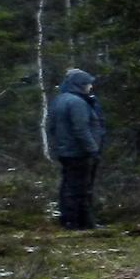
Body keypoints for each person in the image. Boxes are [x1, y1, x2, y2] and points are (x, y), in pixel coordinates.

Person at [47, 68, 106, 230]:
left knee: (70, 186)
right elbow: (81, 129)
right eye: (87, 84)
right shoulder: (77, 103)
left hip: (65, 151)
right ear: (80, 85)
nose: (90, 87)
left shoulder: (59, 100)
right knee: (79, 187)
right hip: (78, 152)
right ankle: (75, 222)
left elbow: (51, 127)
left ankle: (78, 221)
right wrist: (92, 149)